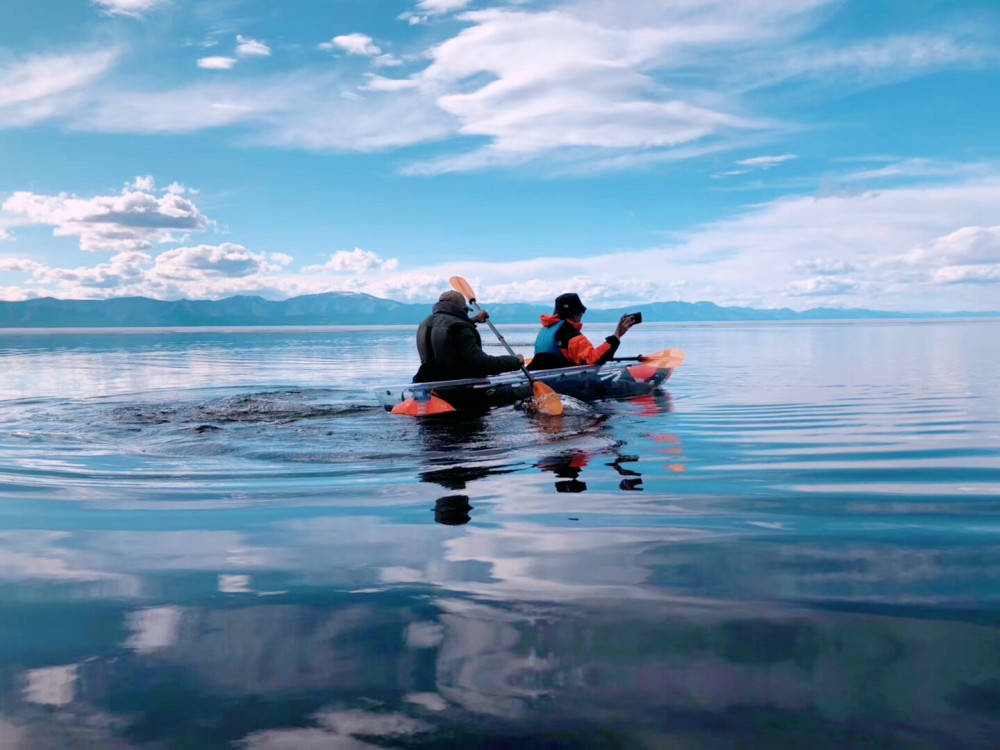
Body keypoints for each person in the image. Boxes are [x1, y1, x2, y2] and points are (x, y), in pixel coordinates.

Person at [413, 290, 524, 382]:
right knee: (521, 392)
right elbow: (482, 364)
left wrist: (474, 319)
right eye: (466, 310)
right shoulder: (461, 328)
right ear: (462, 309)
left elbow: (448, 330)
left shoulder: (425, 324)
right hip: (461, 391)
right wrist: (514, 361)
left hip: (429, 386)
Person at [528, 292, 635, 370]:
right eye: (581, 312)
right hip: (563, 382)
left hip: (541, 376)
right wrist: (616, 337)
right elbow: (594, 360)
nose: (581, 316)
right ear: (576, 314)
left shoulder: (546, 329)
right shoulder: (570, 334)